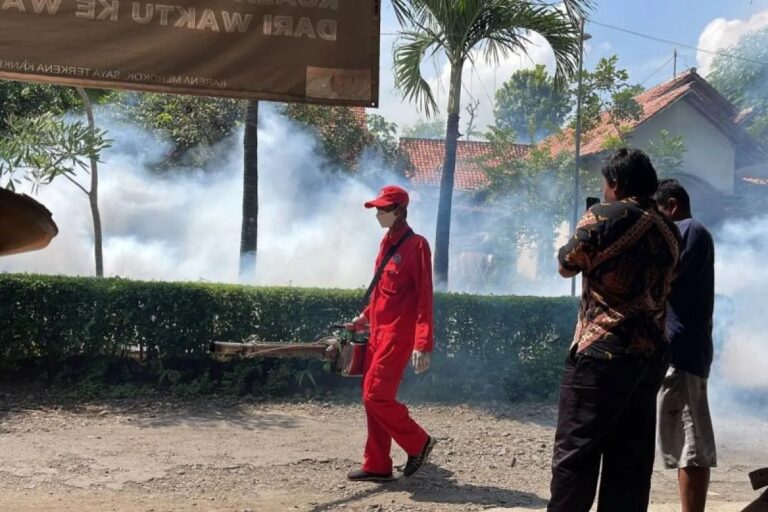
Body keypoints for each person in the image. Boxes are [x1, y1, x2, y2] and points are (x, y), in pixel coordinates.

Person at [548, 148, 682, 512]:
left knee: (576, 456)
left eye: (606, 184)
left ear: (616, 183)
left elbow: (565, 265)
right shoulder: (670, 229)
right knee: (631, 462)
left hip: (601, 353)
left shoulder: (603, 216)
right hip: (650, 357)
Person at [345, 185, 436, 482]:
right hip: (378, 334)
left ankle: (419, 442)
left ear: (399, 210)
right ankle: (377, 464)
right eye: (377, 209)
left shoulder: (417, 245)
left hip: (398, 337)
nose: (378, 214)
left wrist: (423, 343)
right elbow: (381, 295)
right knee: (370, 397)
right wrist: (363, 318)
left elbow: (424, 297)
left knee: (376, 396)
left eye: (383, 209)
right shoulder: (386, 243)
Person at [654, 179, 716, 512]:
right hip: (680, 352)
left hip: (685, 354)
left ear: (672, 206)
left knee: (692, 446)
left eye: (658, 211)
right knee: (684, 445)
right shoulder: (688, 231)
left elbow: (666, 277)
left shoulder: (689, 230)